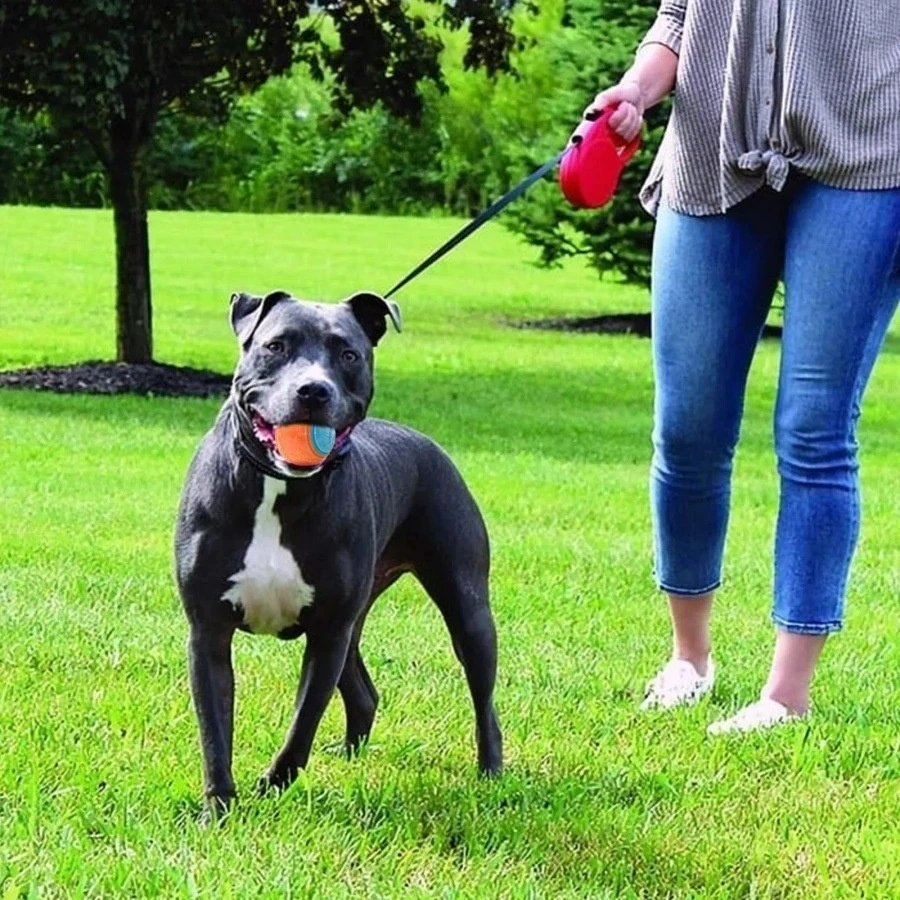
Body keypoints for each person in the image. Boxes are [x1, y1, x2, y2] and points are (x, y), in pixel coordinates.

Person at [576, 0, 900, 733]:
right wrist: (636, 91)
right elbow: (680, 16)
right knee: (687, 427)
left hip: (869, 159)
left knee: (815, 428)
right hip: (712, 150)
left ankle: (787, 695)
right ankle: (689, 659)